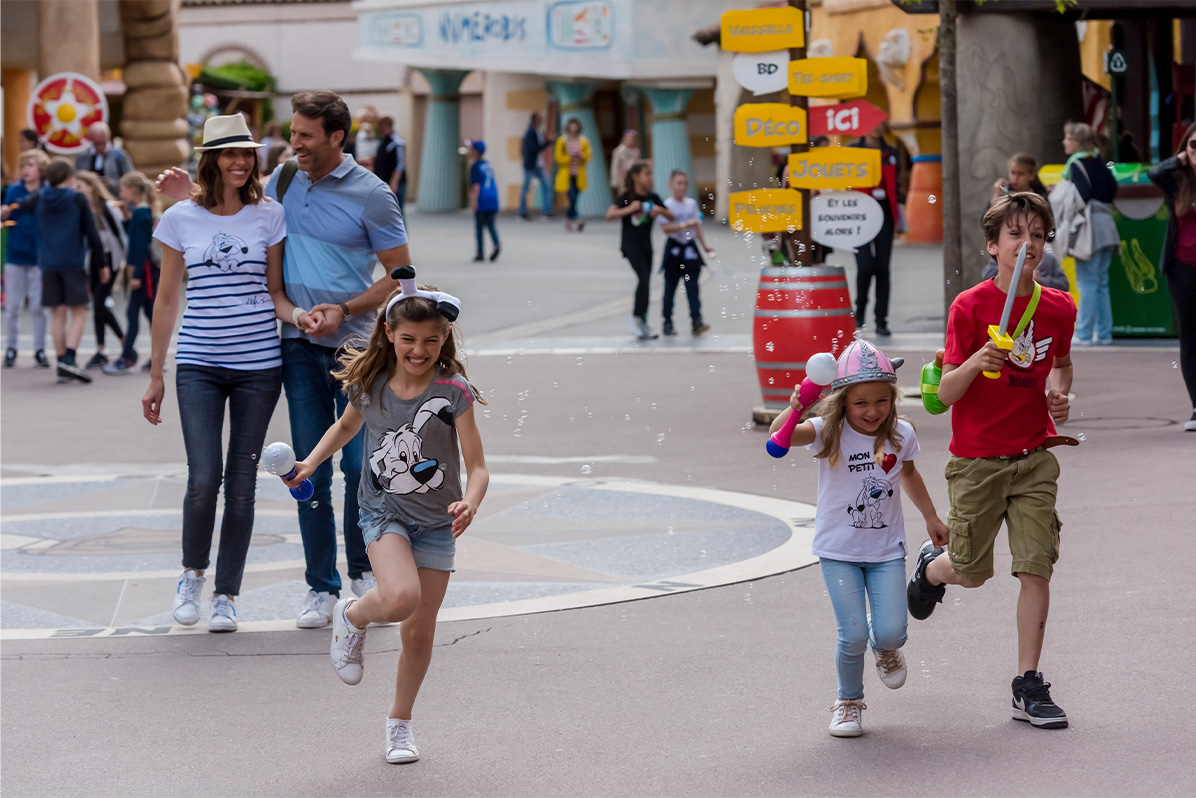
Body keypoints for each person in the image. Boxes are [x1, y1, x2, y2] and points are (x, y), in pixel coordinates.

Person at [158, 90, 414, 628]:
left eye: (304, 135)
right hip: (295, 347)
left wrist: (345, 309)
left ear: (336, 138)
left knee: (356, 465)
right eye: (292, 133)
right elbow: (224, 211)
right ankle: (320, 587)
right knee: (310, 469)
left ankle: (362, 573)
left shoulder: (373, 194)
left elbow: (401, 277)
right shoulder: (283, 180)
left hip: (357, 349)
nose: (292, 143)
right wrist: (185, 194)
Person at [284, 268, 488, 764]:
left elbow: (478, 466)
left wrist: (471, 502)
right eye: (409, 339)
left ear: (444, 341)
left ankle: (400, 724)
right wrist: (309, 463)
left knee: (419, 632)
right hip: (384, 512)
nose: (419, 350)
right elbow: (345, 428)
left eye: (431, 341)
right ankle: (351, 615)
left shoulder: (453, 391)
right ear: (389, 336)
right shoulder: (370, 384)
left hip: (439, 521)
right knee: (399, 598)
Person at [907, 191, 1076, 730]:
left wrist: (1060, 394)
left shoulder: (1058, 307)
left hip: (1034, 456)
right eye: (1016, 235)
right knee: (973, 573)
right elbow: (945, 396)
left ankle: (1028, 683)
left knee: (1035, 567)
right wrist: (979, 359)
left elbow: (1063, 365)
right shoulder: (970, 307)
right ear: (994, 244)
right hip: (978, 459)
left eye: (1038, 236)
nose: (1029, 245)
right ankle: (933, 571)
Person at [141, 114, 303, 632]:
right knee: (203, 477)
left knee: (241, 484)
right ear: (210, 159)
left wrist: (300, 317)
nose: (240, 162)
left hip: (259, 366)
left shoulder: (269, 215)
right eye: (229, 153)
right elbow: (166, 300)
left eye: (247, 153)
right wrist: (156, 373)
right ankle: (192, 575)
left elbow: (276, 292)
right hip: (198, 364)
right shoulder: (179, 219)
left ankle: (226, 596)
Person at [769, 339, 948, 737]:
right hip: (838, 551)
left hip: (886, 551)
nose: (872, 411)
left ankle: (885, 645)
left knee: (890, 632)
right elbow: (778, 436)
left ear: (893, 399)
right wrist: (798, 405)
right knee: (851, 634)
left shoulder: (901, 433)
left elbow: (908, 474)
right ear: (843, 402)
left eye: (881, 401)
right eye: (861, 403)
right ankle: (848, 703)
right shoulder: (825, 431)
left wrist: (931, 516)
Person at [2, 157, 102, 383]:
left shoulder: (40, 197)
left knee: (57, 312)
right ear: (69, 177)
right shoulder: (77, 198)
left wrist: (13, 205)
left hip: (47, 262)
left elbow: (24, 204)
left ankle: (60, 360)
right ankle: (70, 358)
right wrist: (101, 264)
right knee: (79, 311)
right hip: (72, 261)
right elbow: (91, 232)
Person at [1147, 121, 1196, 431]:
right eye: (1194, 144)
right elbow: (1155, 174)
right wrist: (1180, 158)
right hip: (1182, 269)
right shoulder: (1177, 181)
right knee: (1191, 338)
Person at [1060, 122, 1119, 346]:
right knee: (1102, 283)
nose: (1065, 142)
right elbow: (1113, 188)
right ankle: (1104, 333)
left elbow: (1081, 194)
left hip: (1089, 229)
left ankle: (1084, 333)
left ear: (1078, 142)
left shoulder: (1077, 165)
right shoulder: (1100, 162)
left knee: (1087, 283)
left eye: (1068, 138)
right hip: (1107, 225)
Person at [606, 160, 673, 340]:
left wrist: (659, 210)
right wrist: (629, 209)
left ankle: (642, 322)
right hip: (630, 245)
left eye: (650, 174)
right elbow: (610, 215)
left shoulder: (652, 197)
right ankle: (635, 319)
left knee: (646, 283)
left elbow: (671, 215)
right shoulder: (627, 197)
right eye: (647, 174)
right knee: (643, 278)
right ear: (636, 176)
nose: (650, 178)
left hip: (646, 247)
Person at [103, 172, 160, 374]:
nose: (120, 193)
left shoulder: (140, 214)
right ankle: (157, 358)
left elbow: (140, 245)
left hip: (143, 270)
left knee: (133, 313)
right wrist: (127, 216)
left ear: (133, 190)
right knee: (149, 313)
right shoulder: (142, 212)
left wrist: (135, 276)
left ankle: (127, 357)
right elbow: (135, 236)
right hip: (147, 270)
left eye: (122, 189)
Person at [71, 171, 126, 369]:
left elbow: (120, 234)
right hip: (94, 261)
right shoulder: (82, 208)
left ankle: (124, 342)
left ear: (91, 187)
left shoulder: (105, 207)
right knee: (97, 306)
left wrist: (122, 263)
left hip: (110, 259)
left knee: (100, 304)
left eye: (79, 186)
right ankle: (101, 349)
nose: (75, 190)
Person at [3, 150, 51, 369]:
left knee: (39, 306)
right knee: (13, 306)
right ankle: (11, 348)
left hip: (39, 256)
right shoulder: (13, 190)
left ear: (40, 169)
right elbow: (7, 217)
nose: (25, 169)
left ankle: (39, 349)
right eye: (23, 165)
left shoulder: (47, 191)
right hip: (15, 254)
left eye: (30, 165)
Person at [852, 124, 899, 336]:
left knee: (882, 268)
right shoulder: (851, 151)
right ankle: (859, 313)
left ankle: (881, 320)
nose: (876, 127)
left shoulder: (892, 153)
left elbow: (896, 185)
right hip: (858, 214)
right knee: (864, 266)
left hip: (884, 214)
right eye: (873, 122)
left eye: (881, 123)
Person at [656, 169, 712, 336]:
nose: (683, 187)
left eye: (685, 183)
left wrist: (705, 246)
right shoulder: (667, 205)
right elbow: (665, 228)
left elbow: (697, 226)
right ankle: (667, 320)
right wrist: (683, 225)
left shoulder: (691, 204)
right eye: (679, 183)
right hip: (674, 249)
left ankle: (697, 320)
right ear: (670, 185)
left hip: (690, 248)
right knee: (670, 288)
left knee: (693, 287)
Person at [74, 122, 134, 196]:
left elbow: (131, 180)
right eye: (97, 143)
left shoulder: (119, 155)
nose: (100, 147)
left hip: (113, 198)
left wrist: (112, 183)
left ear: (108, 136)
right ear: (91, 139)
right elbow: (75, 181)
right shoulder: (82, 157)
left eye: (103, 143)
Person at [555, 118, 592, 232]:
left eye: (575, 126)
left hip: (579, 173)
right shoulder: (562, 141)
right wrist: (569, 157)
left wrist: (581, 156)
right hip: (567, 174)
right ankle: (576, 219)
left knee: (575, 198)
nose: (573, 128)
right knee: (572, 197)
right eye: (571, 126)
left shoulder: (583, 141)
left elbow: (588, 156)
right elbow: (558, 157)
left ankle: (568, 219)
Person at [467, 140, 500, 263]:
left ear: (475, 152)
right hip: (492, 198)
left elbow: (476, 185)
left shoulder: (475, 166)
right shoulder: (488, 165)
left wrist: (474, 202)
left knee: (479, 226)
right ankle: (496, 244)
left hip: (482, 199)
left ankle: (480, 252)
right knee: (491, 224)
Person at [518, 111, 552, 220]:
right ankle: (522, 212)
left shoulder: (538, 131)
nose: (542, 120)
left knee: (547, 186)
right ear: (535, 119)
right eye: (540, 118)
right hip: (530, 164)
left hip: (539, 164)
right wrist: (548, 143)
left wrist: (547, 141)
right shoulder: (530, 132)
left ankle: (547, 211)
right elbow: (533, 148)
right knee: (526, 188)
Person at [373, 116, 407, 217]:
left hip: (393, 183)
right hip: (382, 181)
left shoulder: (396, 142)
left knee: (397, 212)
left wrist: (394, 182)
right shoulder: (383, 140)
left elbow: (400, 164)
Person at [609, 129, 640, 197]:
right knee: (624, 195)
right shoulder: (618, 151)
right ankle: (625, 206)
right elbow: (615, 166)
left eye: (632, 139)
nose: (630, 140)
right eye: (628, 138)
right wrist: (615, 181)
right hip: (623, 177)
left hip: (634, 177)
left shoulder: (636, 151)